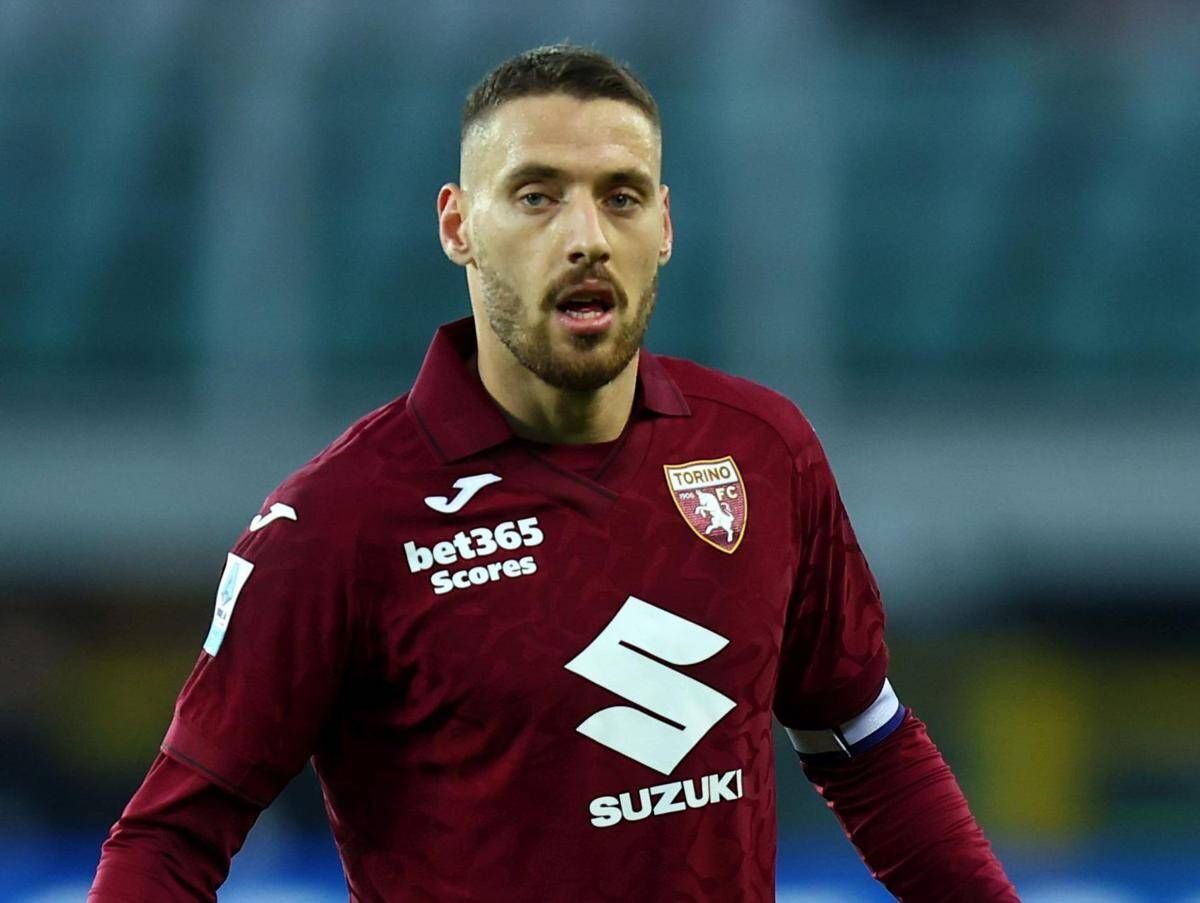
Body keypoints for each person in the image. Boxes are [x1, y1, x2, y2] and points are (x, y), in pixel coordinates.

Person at [89, 43, 1018, 902]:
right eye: (537, 196)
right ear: (458, 225)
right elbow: (169, 841)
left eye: (621, 197)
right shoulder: (338, 521)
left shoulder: (761, 450)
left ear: (665, 225)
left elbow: (866, 746)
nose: (587, 237)